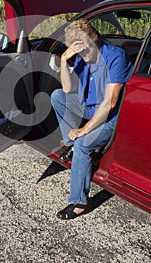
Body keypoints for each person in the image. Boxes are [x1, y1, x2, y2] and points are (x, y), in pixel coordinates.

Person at [50, 19, 133, 220]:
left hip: (109, 118)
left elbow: (110, 103)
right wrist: (64, 60)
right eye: (78, 52)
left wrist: (83, 130)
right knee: (57, 96)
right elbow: (68, 89)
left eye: (86, 51)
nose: (83, 56)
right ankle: (72, 147)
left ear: (95, 42)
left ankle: (78, 202)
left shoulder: (115, 57)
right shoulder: (81, 55)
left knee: (83, 143)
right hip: (89, 106)